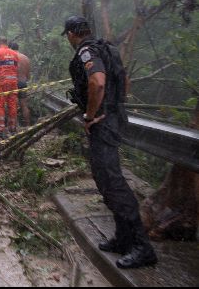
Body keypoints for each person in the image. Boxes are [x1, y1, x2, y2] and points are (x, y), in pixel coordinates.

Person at [63, 15, 157, 269]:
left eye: (68, 36)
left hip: (103, 123)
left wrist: (91, 115)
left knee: (112, 181)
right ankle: (123, 237)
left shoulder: (86, 51)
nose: (69, 40)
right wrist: (114, 107)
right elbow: (124, 82)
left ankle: (142, 246)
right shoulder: (107, 48)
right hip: (114, 118)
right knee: (106, 180)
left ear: (72, 33)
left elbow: (97, 82)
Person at [9, 41, 32, 127]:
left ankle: (14, 127)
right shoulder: (26, 58)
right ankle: (28, 125)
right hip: (23, 83)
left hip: (13, 83)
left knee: (13, 105)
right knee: (24, 105)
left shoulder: (11, 57)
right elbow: (28, 76)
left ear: (10, 48)